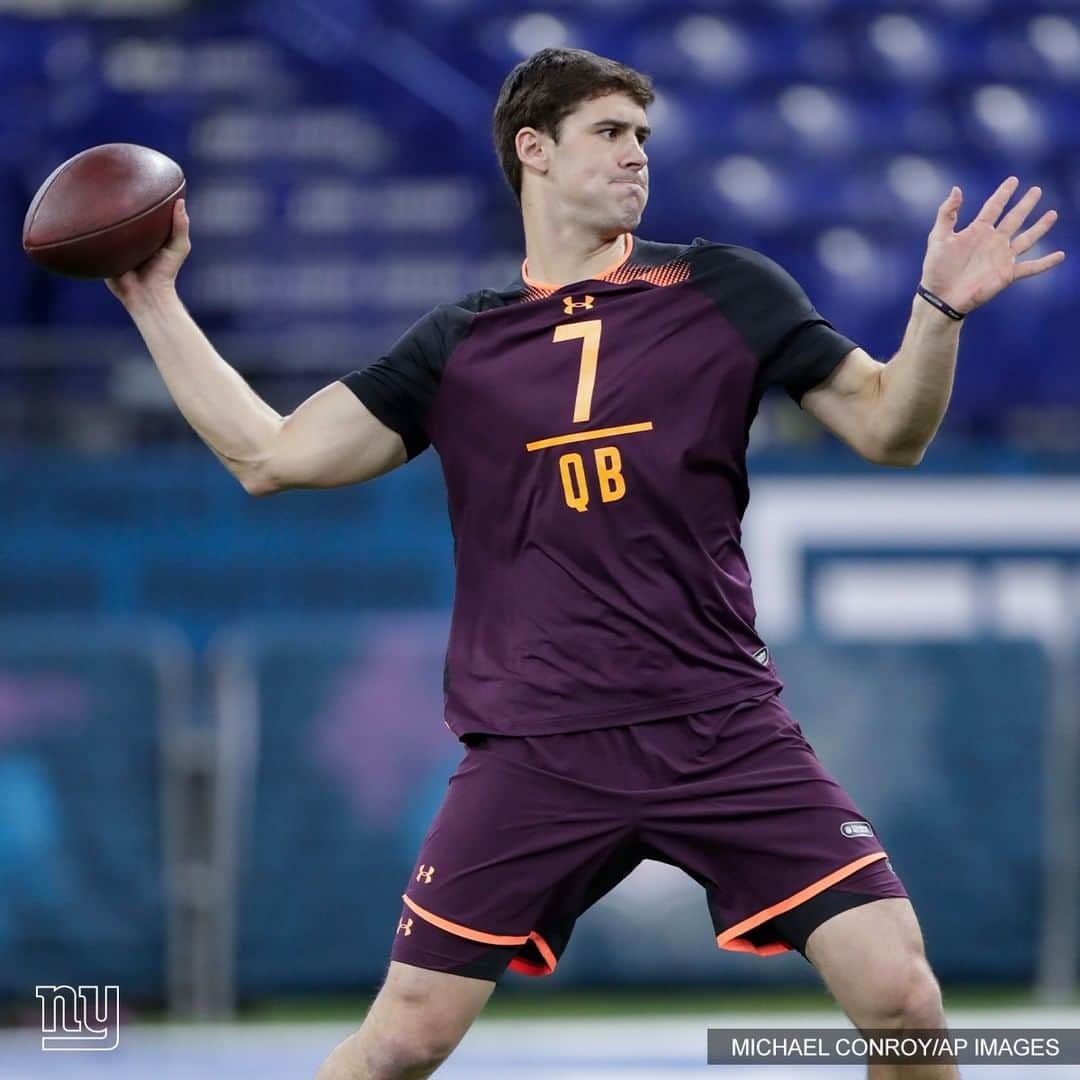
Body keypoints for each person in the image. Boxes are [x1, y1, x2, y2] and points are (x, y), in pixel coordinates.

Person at [108, 46, 1063, 1080]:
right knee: (402, 1041)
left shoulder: (724, 288)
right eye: (610, 134)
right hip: (538, 744)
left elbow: (891, 430)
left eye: (643, 137)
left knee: (905, 1001)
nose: (637, 157)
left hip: (719, 726)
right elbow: (268, 455)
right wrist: (153, 300)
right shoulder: (459, 345)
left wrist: (938, 314)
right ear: (535, 150)